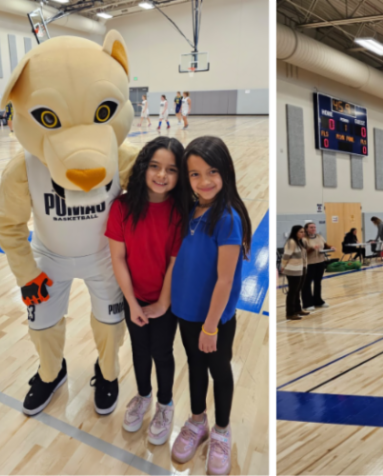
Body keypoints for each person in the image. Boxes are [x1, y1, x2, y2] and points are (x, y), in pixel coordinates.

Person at [168, 136, 250, 476]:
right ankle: (197, 420)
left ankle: (221, 430)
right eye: (195, 174)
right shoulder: (188, 210)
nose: (204, 182)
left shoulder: (227, 218)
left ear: (225, 171)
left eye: (212, 171)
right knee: (195, 367)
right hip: (185, 313)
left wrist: (211, 326)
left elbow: (225, 280)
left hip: (214, 319)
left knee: (219, 370)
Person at [104, 137, 186, 443]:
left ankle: (165, 403)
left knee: (161, 352)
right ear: (143, 167)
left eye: (171, 169)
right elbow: (118, 258)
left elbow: (174, 262)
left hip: (166, 299)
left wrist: (163, 302)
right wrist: (132, 303)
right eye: (155, 166)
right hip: (133, 297)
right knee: (139, 351)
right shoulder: (122, 207)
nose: (162, 175)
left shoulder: (180, 211)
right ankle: (143, 395)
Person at [281, 225, 308, 320]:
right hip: (292, 270)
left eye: (303, 231)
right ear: (295, 232)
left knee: (298, 290)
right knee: (292, 292)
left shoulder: (301, 242)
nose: (303, 233)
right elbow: (286, 256)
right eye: (301, 232)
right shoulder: (291, 242)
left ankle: (298, 309)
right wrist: (283, 266)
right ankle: (290, 313)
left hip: (301, 268)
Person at [302, 221, 328, 310]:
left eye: (314, 227)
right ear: (306, 229)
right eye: (311, 227)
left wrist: (331, 247)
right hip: (309, 263)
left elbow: (325, 245)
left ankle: (318, 301)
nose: (313, 229)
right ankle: (307, 303)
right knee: (307, 284)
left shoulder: (319, 236)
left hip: (320, 262)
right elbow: (303, 252)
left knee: (318, 282)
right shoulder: (304, 239)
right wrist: (312, 249)